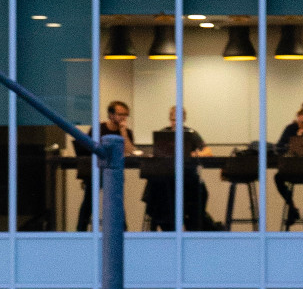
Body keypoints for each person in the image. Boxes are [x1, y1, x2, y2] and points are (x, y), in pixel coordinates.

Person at [141, 108, 211, 231]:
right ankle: (166, 224)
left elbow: (208, 152)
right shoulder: (163, 134)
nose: (175, 123)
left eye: (178, 120)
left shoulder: (190, 133)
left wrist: (193, 154)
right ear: (170, 120)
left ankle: (193, 224)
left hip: (187, 178)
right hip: (165, 178)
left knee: (201, 192)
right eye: (173, 120)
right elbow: (156, 153)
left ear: (184, 120)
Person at [75, 99, 133, 231]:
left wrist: (123, 132)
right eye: (120, 114)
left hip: (114, 173)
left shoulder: (127, 132)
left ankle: (122, 230)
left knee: (117, 202)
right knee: (88, 202)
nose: (123, 117)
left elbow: (130, 151)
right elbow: (88, 149)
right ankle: (81, 230)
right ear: (111, 115)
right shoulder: (98, 129)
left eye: (126, 114)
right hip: (96, 171)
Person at [273, 101, 303, 229]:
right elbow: (279, 148)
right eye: (302, 123)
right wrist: (295, 138)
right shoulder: (290, 128)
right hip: (291, 166)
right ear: (297, 121)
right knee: (278, 178)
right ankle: (292, 206)